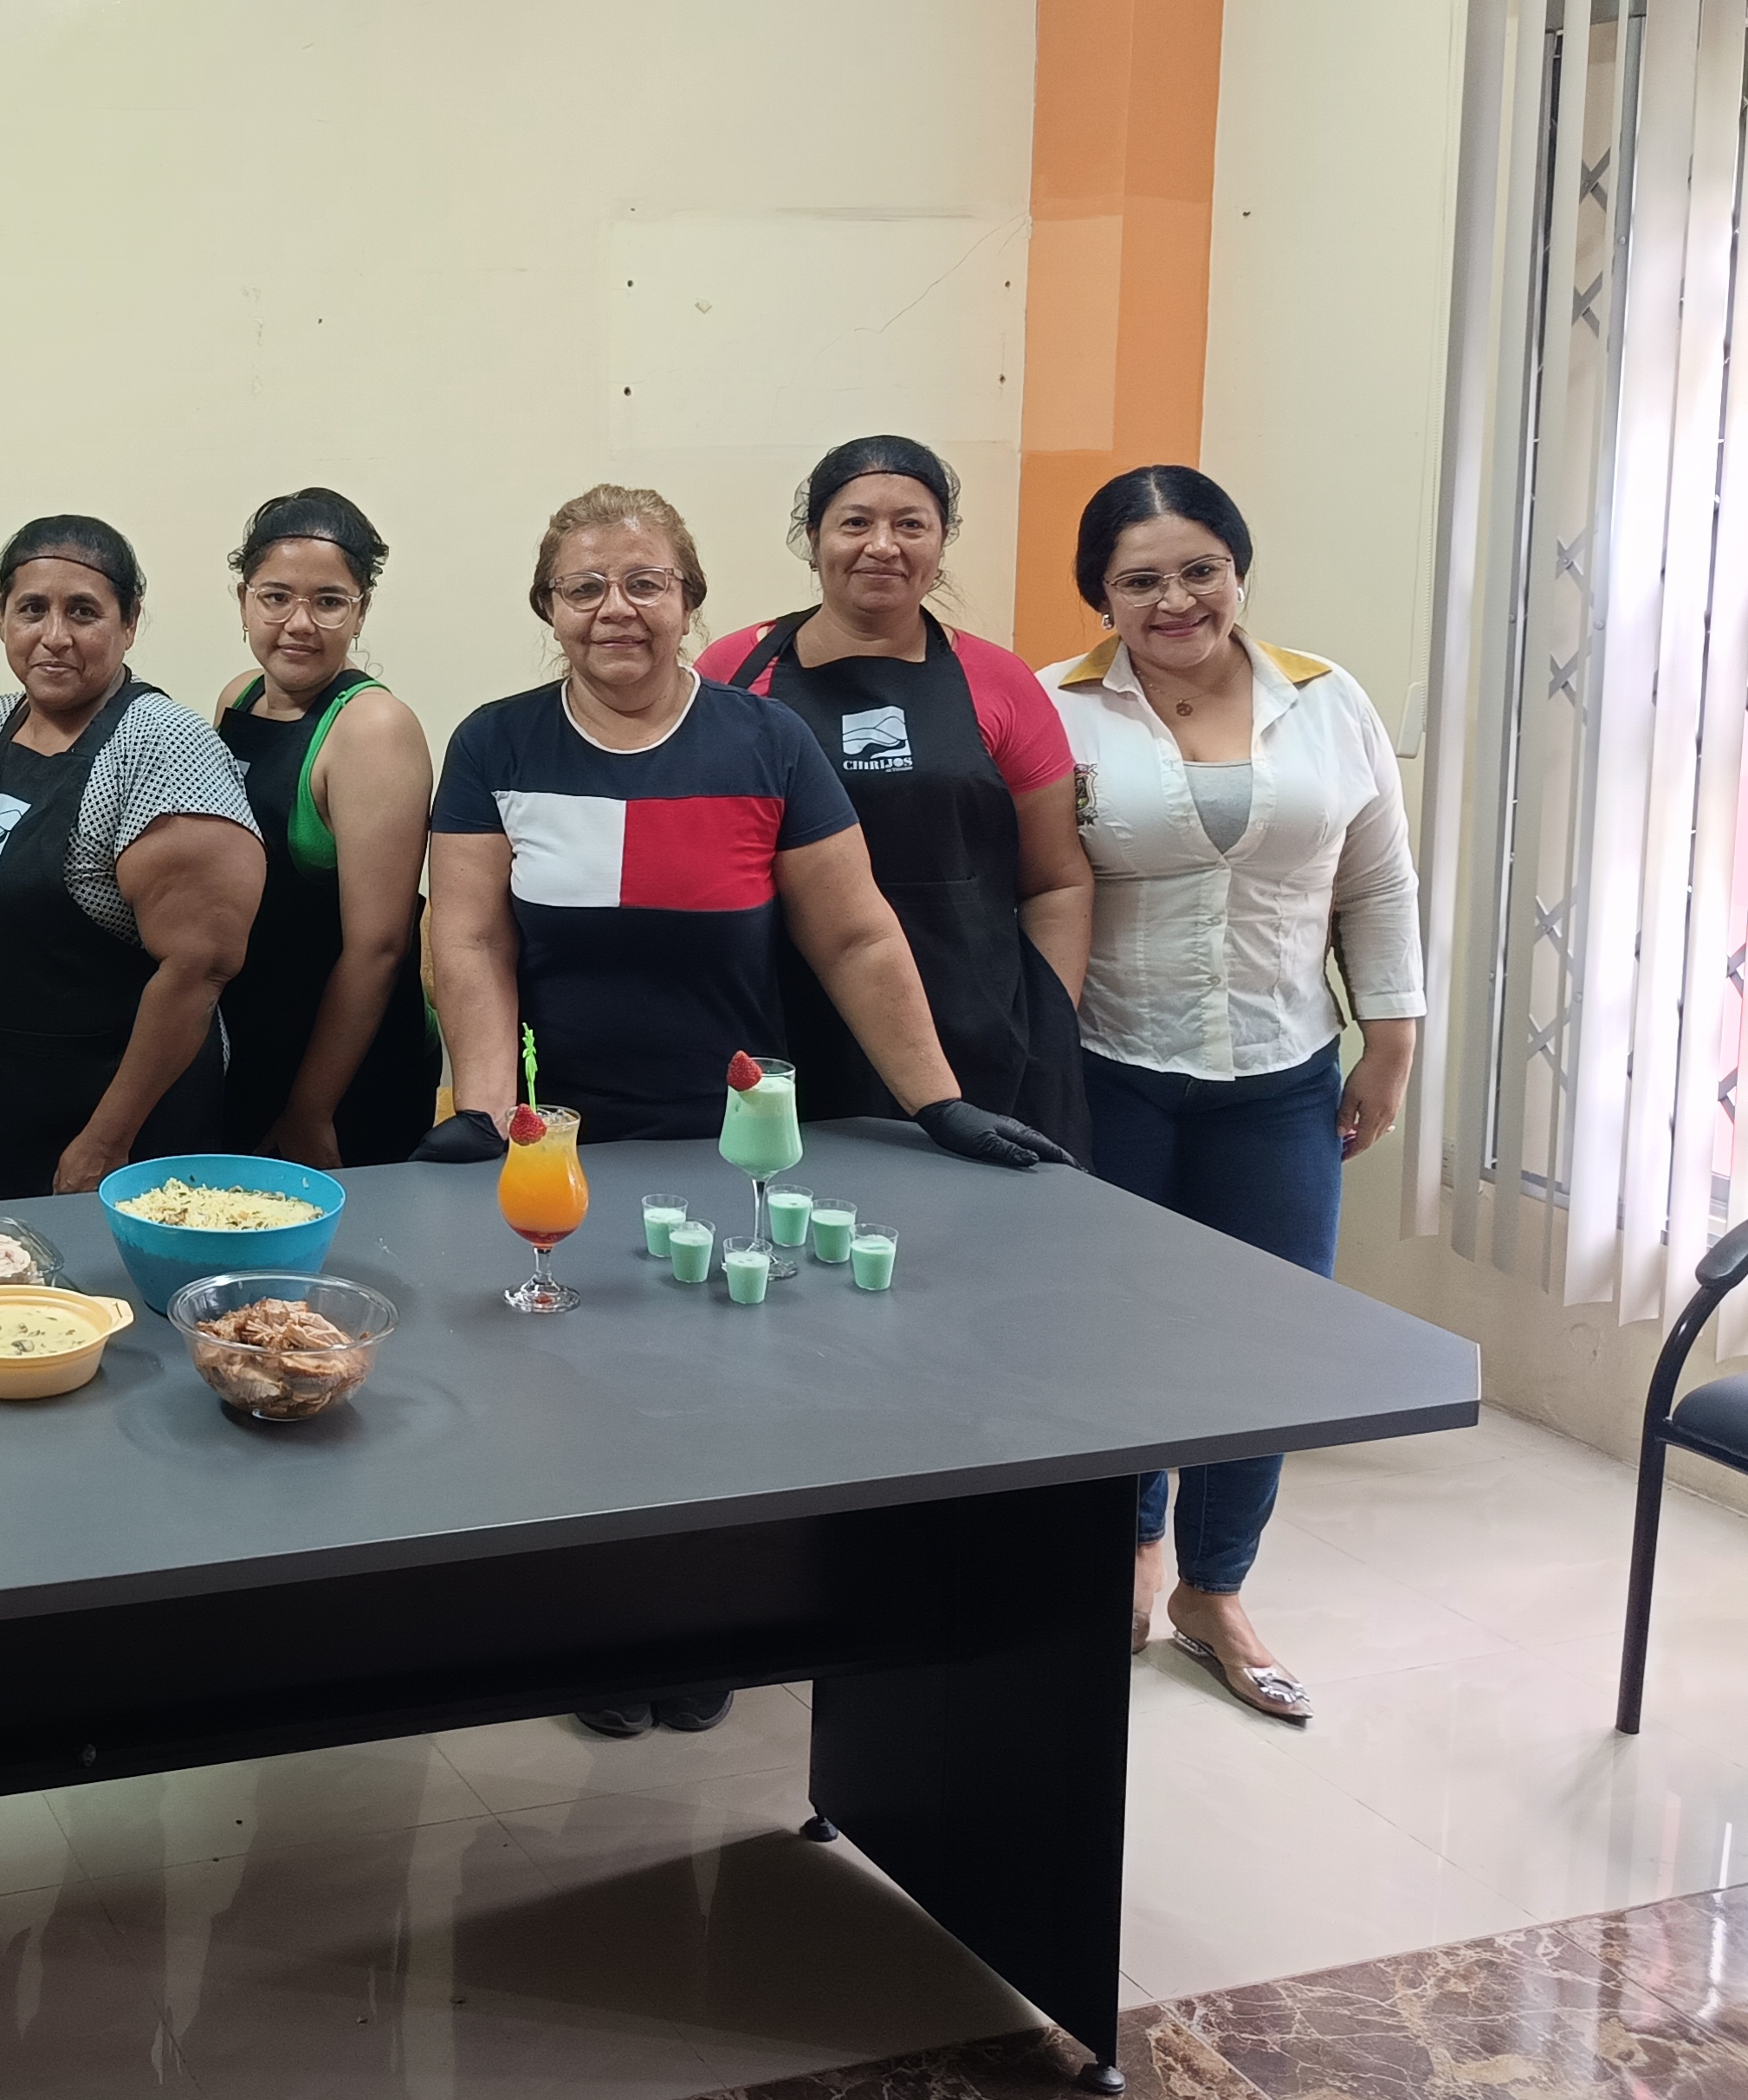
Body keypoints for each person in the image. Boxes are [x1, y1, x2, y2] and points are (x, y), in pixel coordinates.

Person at [425, 484, 1068, 1745]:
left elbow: (856, 934)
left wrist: (939, 1101)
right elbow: (471, 936)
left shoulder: (767, 743)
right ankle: (595, 1629)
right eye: (585, 587)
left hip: (733, 1135)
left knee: (722, 1394)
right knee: (574, 1394)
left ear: (691, 600)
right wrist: (488, 1105)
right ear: (548, 609)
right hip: (568, 1141)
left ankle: (708, 1627)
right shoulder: (498, 744)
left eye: (645, 583)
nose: (617, 609)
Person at [1050, 465, 1421, 1726]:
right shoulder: (1055, 706)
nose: (1176, 601)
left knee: (1262, 1345)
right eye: (1140, 580)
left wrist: (1391, 1040)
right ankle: (1127, 1548)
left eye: (1200, 569)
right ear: (1102, 595)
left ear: (1240, 572)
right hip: (1111, 1068)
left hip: (1279, 1073)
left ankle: (1217, 1589)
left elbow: (1379, 881)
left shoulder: (1327, 698)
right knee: (1112, 1337)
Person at [702, 437, 1092, 1158]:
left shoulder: (1001, 682)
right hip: (784, 1026)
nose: (882, 546)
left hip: (972, 1035)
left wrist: (1044, 1029)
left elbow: (1057, 881)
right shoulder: (733, 670)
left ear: (941, 544)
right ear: (813, 538)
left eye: (911, 524)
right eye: (855, 523)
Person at [0, 515, 263, 1203]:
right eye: (32, 609)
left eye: (83, 612)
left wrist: (107, 1141)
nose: (54, 636)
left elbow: (198, 970)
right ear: (1, 617)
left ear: (130, 622)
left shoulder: (163, 747)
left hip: (123, 1122)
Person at [210, 489, 438, 1169]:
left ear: (360, 611)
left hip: (346, 1074)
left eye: (329, 601)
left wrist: (310, 1109)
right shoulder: (238, 698)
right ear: (244, 601)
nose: (299, 623)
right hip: (251, 1043)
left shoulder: (373, 729)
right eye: (276, 597)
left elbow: (379, 947)